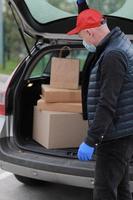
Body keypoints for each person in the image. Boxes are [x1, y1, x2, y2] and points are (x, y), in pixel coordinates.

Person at [67, 0, 133, 199]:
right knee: (120, 189)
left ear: (90, 33)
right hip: (123, 131)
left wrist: (91, 140)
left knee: (104, 191)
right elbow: (90, 20)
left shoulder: (113, 55)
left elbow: (107, 103)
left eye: (81, 36)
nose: (83, 42)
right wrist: (82, 5)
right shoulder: (117, 42)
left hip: (114, 137)